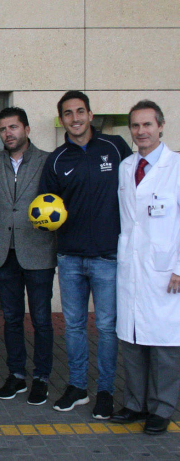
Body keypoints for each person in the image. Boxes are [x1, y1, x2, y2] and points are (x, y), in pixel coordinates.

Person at [39, 91, 131, 418]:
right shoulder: (57, 159)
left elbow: (134, 191)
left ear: (90, 114)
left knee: (106, 326)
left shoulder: (115, 148)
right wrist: (44, 223)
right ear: (61, 119)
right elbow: (43, 206)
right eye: (68, 113)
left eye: (80, 111)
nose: (75, 118)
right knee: (75, 325)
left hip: (108, 255)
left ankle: (105, 390)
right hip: (70, 258)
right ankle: (78, 386)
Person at [112, 100, 180, 435]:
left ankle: (162, 408)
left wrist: (179, 266)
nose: (141, 132)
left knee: (166, 345)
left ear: (161, 126)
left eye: (147, 125)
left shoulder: (176, 167)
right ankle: (134, 404)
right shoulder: (126, 167)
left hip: (167, 271)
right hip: (132, 267)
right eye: (136, 126)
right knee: (134, 342)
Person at [0, 108, 56, 405]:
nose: (8, 133)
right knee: (12, 317)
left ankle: (41, 378)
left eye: (13, 127)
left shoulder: (48, 161)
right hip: (4, 251)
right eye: (2, 129)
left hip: (38, 249)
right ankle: (16, 374)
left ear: (26, 129)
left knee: (41, 318)